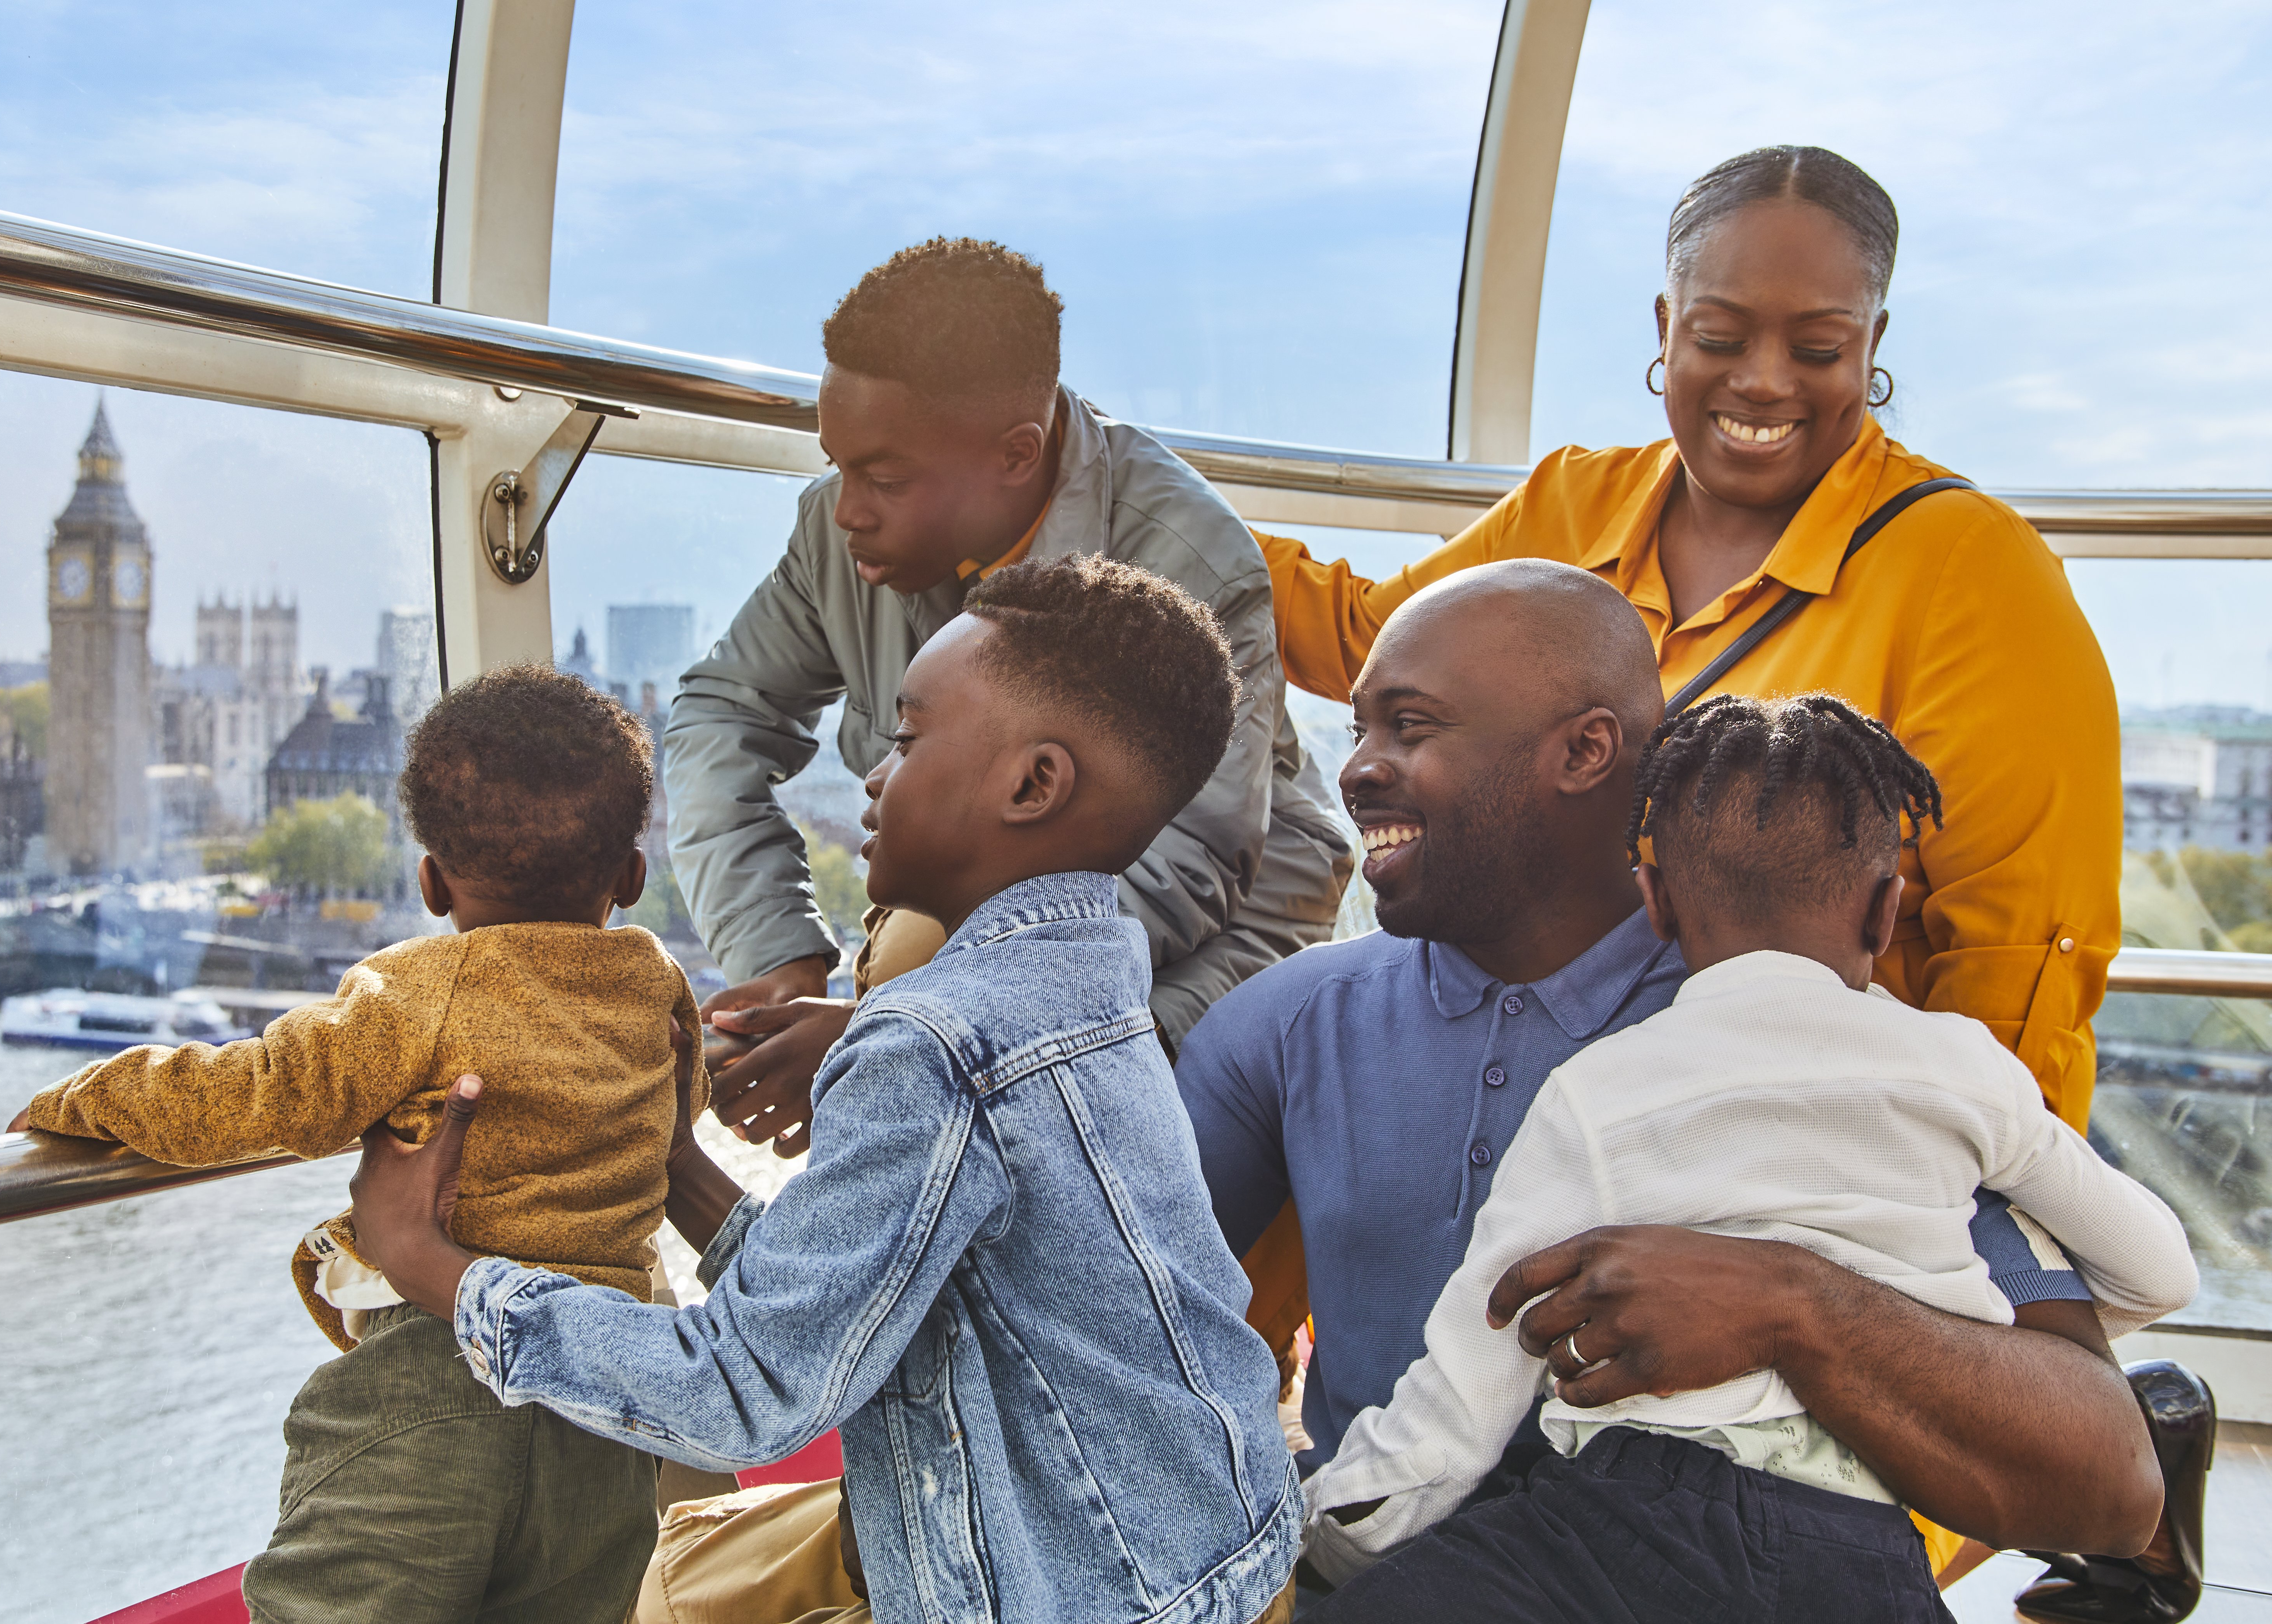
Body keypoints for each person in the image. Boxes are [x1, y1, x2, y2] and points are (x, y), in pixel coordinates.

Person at [1176, 562, 2169, 1611]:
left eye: (1409, 728)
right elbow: (1103, 1321)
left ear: (1586, 751)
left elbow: (2110, 1487)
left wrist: (1793, 1305)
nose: (1359, 770)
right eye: (1359, 730)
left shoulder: (1829, 1057)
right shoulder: (1282, 1027)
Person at [349, 557, 1302, 1624]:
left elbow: (744, 1392)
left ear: (1033, 784)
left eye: (905, 739)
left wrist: (435, 1267)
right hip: (1221, 1560)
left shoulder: (936, 1042)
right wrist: (678, 1170)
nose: (875, 781)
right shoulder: (1089, 974)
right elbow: (862, 1292)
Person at [1259, 145, 2116, 1133]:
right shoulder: (1575, 504)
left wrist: (1976, 1201)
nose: (1762, 382)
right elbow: (1367, 638)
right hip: (1525, 1094)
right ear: (1666, 326)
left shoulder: (1974, 570)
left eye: (1819, 349)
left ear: (1873, 343)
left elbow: (2024, 947)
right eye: (1719, 336)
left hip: (1795, 1139)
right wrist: (1112, 484)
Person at [8, 666, 702, 1624]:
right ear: (631, 876)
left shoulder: (420, 990)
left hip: (437, 1375)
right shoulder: (652, 979)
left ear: (430, 882)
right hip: (605, 1399)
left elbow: (266, 1094)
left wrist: (94, 1094)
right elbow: (679, 1107)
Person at [666, 236, 1350, 1155]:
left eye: (884, 477)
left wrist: (907, 1031)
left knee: (1056, 1133)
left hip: (1210, 928)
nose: (845, 512)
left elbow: (1192, 864)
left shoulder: (1190, 558)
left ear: (1017, 454)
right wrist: (780, 958)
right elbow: (722, 719)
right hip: (965, 936)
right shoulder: (842, 533)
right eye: (837, 466)